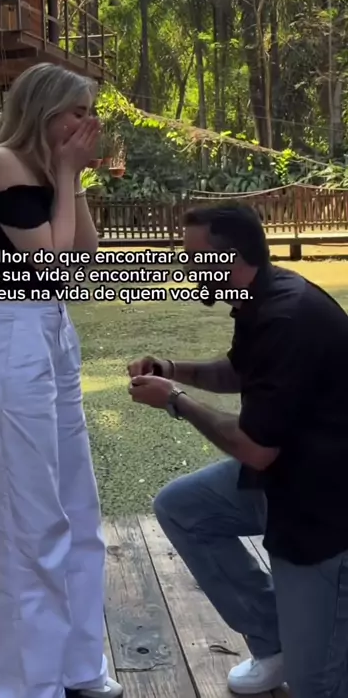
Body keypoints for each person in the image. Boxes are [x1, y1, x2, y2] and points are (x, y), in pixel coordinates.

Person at [127, 202, 348, 698]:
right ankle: (277, 641)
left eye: (194, 257)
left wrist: (176, 401)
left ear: (228, 258)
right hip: (288, 478)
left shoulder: (287, 317)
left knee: (317, 685)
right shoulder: (259, 297)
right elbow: (240, 370)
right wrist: (172, 369)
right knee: (183, 508)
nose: (186, 268)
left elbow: (255, 449)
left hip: (326, 511)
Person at [0, 63, 122, 698]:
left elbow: (83, 260)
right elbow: (51, 263)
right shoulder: (2, 163)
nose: (87, 123)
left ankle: (79, 665)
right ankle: (27, 686)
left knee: (78, 509)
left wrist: (70, 178)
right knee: (28, 522)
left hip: (53, 332)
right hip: (11, 337)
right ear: (46, 110)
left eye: (89, 112)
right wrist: (66, 173)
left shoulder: (53, 172)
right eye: (78, 112)